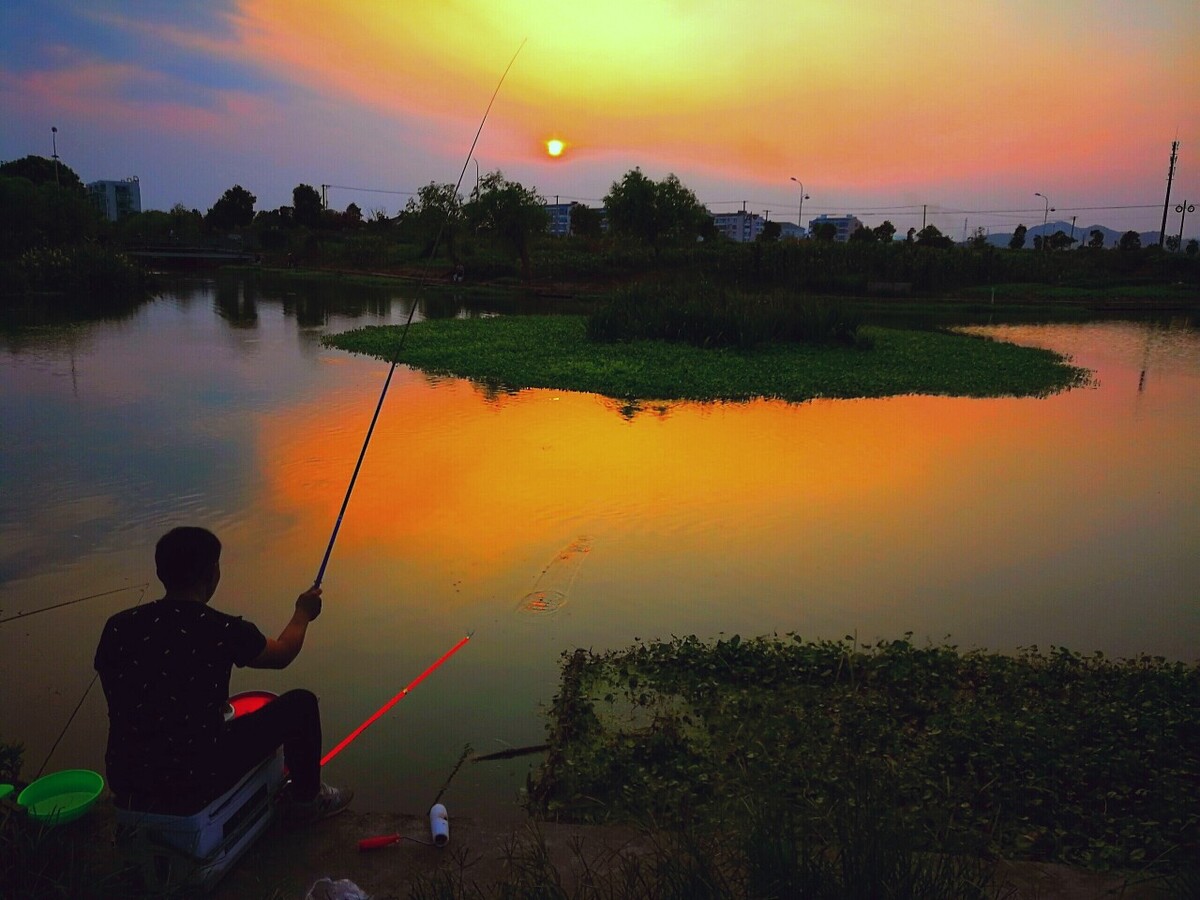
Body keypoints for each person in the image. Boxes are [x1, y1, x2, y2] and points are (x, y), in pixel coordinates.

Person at [94, 526, 352, 822]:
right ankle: (307, 801)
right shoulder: (221, 629)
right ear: (211, 574)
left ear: (160, 571)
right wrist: (302, 613)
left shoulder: (118, 627)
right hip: (197, 775)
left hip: (127, 775)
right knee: (301, 705)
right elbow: (282, 654)